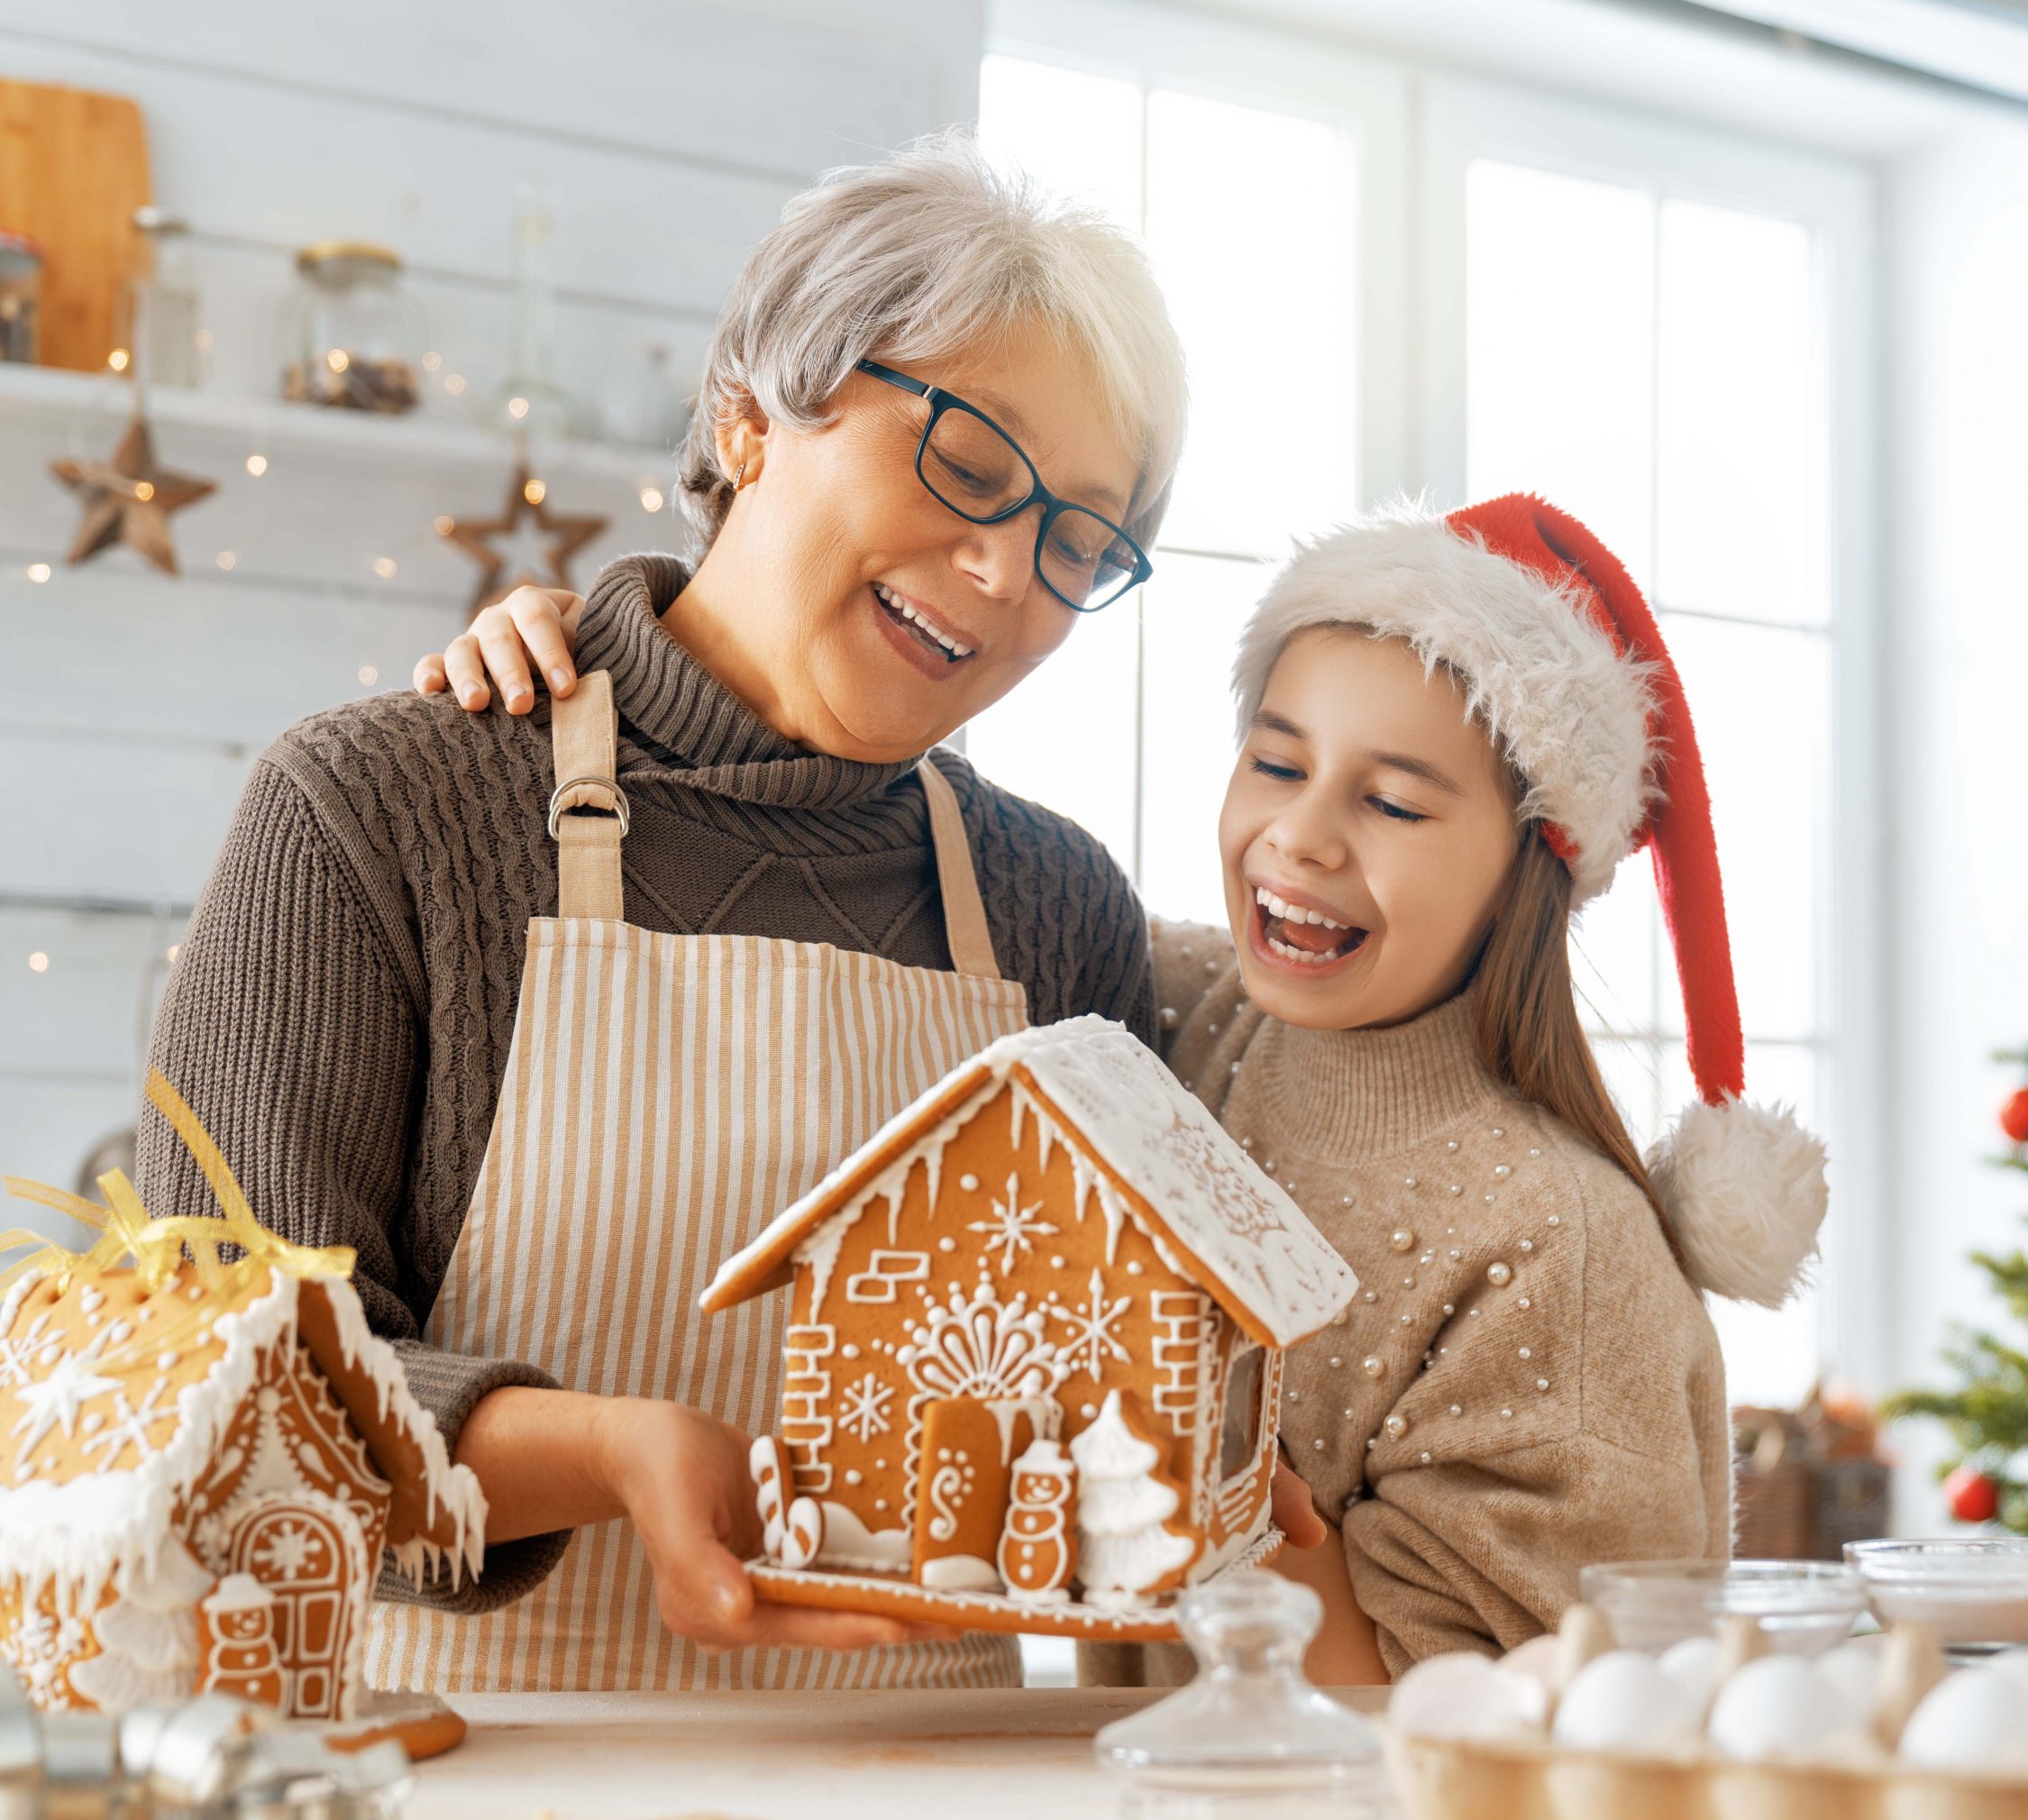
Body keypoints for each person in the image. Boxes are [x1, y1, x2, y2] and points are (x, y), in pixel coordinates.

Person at [136, 130, 1304, 1696]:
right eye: (967, 460)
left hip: (938, 1794)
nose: (1005, 568)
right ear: (754, 415)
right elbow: (224, 1407)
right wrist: (611, 1455)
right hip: (472, 1779)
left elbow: (1111, 1401)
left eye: (1079, 538)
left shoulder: (1058, 910)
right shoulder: (388, 811)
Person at [441, 493, 1829, 1680]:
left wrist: (1201, 1493)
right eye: (1276, 762)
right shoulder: (1170, 1010)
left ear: (1533, 861)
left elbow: (1495, 1737)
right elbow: (863, 886)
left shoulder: (1566, 1256)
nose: (1301, 837)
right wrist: (621, 655)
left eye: (1393, 804)